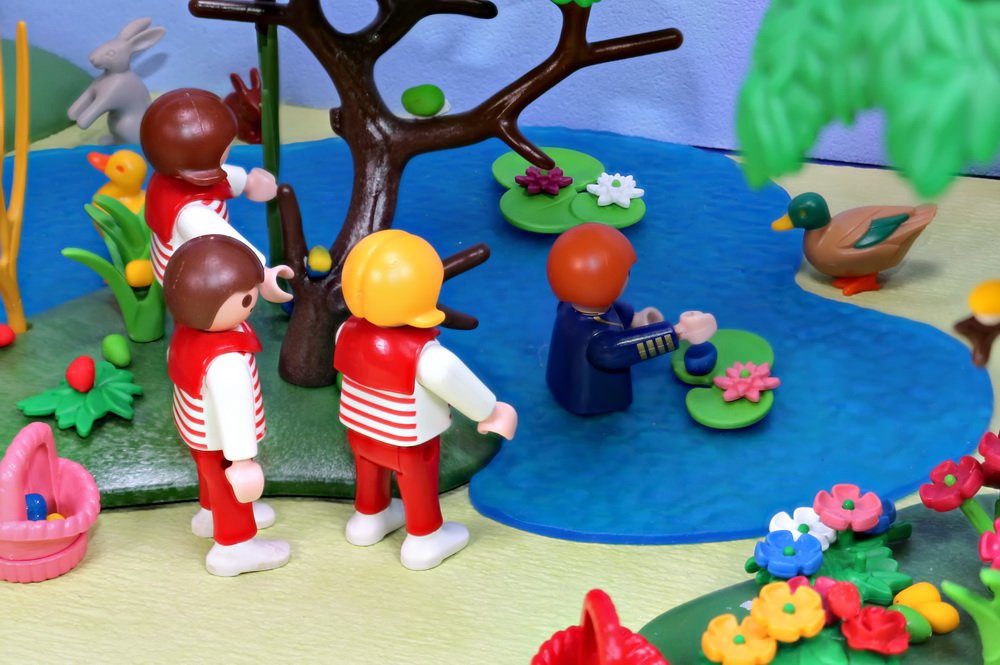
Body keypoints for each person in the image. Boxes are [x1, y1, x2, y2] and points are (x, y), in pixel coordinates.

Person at [333, 230, 517, 571]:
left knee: (369, 471)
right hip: (407, 440)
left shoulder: (345, 332)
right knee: (417, 482)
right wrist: (490, 411)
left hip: (360, 430)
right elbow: (455, 381)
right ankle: (425, 537)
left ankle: (368, 519)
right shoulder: (426, 355)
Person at [163, 234, 292, 576]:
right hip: (221, 442)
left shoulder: (187, 331)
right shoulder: (227, 360)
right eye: (247, 296)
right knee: (229, 486)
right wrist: (242, 461)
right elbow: (235, 414)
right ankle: (235, 548)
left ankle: (209, 514)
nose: (253, 301)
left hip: (197, 433)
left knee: (211, 479)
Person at [546, 223, 717, 415]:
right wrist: (679, 332)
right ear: (605, 282)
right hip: (589, 398)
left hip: (561, 382)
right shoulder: (599, 340)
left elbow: (615, 312)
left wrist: (636, 319)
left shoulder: (568, 307)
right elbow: (627, 349)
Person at [140, 87, 289, 301]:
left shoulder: (172, 173)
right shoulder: (191, 214)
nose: (229, 148)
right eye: (225, 148)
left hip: (189, 257)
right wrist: (263, 273)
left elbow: (220, 176)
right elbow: (229, 241)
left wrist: (248, 182)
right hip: (187, 276)